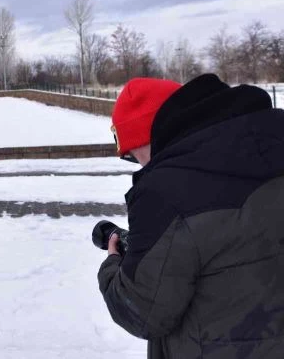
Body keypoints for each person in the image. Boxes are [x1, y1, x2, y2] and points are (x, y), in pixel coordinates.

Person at [98, 74, 284, 358]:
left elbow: (142, 311)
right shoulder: (273, 136)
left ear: (151, 138)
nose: (139, 165)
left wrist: (112, 266)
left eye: (133, 155)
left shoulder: (164, 191)